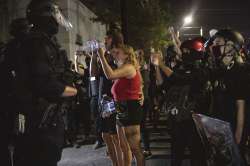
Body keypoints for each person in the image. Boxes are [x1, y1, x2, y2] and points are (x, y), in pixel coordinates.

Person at [13, 1, 78, 166]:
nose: (58, 20)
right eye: (55, 16)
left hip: (42, 121)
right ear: (46, 18)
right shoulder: (38, 43)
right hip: (40, 121)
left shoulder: (42, 42)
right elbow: (45, 84)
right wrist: (71, 90)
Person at [151, 39, 209, 166]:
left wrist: (161, 65)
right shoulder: (180, 66)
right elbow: (163, 84)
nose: (183, 53)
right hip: (178, 118)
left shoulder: (202, 69)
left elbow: (180, 79)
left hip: (194, 119)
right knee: (176, 155)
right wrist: (157, 67)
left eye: (186, 51)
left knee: (197, 156)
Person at [98, 45, 145, 166]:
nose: (115, 54)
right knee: (123, 146)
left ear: (126, 55)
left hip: (130, 109)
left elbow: (110, 75)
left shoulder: (128, 67)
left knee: (135, 148)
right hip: (121, 109)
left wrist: (101, 57)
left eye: (118, 52)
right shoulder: (123, 68)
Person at [211, 29, 248, 164]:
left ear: (231, 46)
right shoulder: (220, 70)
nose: (214, 47)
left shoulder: (241, 70)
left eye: (218, 43)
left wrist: (238, 136)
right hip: (221, 129)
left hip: (233, 128)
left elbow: (241, 105)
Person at [0, 17, 31, 166]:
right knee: (22, 137)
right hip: (20, 105)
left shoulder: (11, 48)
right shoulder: (16, 48)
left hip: (19, 103)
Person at [90, 30, 123, 165]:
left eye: (107, 38)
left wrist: (103, 57)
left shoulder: (118, 54)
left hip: (114, 99)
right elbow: (93, 74)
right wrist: (94, 55)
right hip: (102, 100)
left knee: (116, 136)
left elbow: (116, 74)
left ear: (113, 40)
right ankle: (115, 163)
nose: (104, 41)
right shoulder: (104, 55)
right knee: (105, 135)